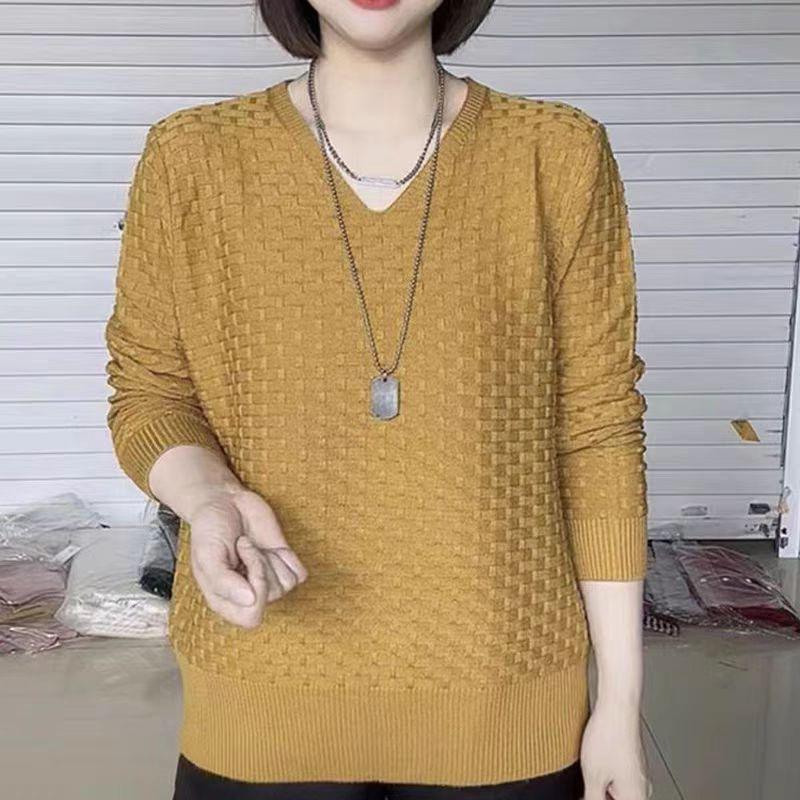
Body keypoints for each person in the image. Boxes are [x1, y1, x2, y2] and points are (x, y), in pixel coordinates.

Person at [104, 1, 653, 798]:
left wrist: (620, 705)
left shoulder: (556, 153)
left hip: (505, 695)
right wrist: (209, 498)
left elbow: (599, 430)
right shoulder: (192, 156)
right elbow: (150, 394)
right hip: (261, 692)